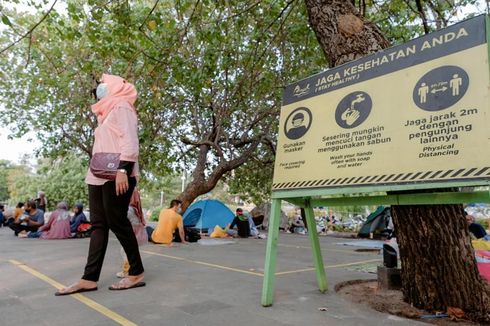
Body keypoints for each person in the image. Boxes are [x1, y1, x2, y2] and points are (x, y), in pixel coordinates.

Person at [56, 74, 144, 295]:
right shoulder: (105, 113)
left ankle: (136, 271)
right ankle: (89, 278)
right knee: (98, 225)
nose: (100, 89)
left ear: (115, 86)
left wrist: (123, 169)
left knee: (117, 220)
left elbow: (130, 141)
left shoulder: (122, 106)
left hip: (118, 172)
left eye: (103, 85)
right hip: (97, 173)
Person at [117, 189, 148, 278]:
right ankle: (136, 267)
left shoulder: (128, 209)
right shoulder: (135, 208)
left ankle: (127, 271)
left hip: (132, 232)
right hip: (137, 232)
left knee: (125, 251)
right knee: (132, 251)